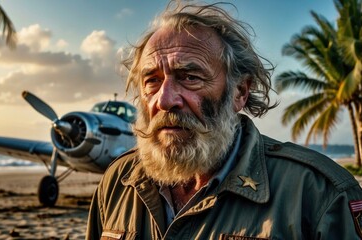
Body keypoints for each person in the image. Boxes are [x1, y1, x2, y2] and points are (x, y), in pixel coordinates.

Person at [86, 1, 362, 239]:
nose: (165, 99)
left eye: (190, 77)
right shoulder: (118, 181)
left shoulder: (319, 194)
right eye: (152, 81)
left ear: (239, 92)